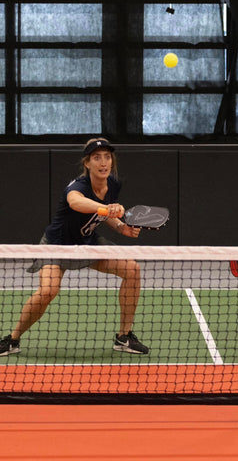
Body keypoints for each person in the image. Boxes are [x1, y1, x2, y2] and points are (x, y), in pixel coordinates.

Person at [0, 138, 149, 355]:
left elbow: (102, 214)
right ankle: (12, 340)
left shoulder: (113, 183)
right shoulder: (78, 186)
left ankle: (124, 337)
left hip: (88, 242)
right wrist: (107, 209)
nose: (103, 162)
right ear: (87, 163)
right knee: (48, 291)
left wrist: (120, 227)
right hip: (56, 246)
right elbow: (76, 202)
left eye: (107, 157)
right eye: (97, 158)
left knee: (132, 270)